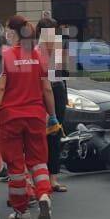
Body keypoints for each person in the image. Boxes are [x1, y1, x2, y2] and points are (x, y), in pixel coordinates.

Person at [0, 15, 60, 219]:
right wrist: (52, 115)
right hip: (36, 116)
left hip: (10, 118)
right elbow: (47, 88)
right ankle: (44, 194)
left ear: (13, 32)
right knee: (38, 161)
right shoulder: (38, 55)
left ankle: (21, 210)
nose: (6, 34)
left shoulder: (6, 56)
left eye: (8, 30)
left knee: (16, 165)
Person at [37, 15, 69, 193]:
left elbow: (61, 71)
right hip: (43, 91)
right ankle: (40, 178)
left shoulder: (57, 45)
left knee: (55, 135)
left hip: (57, 90)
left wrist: (65, 93)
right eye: (48, 31)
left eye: (54, 31)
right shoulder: (35, 49)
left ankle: (53, 178)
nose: (52, 34)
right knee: (41, 136)